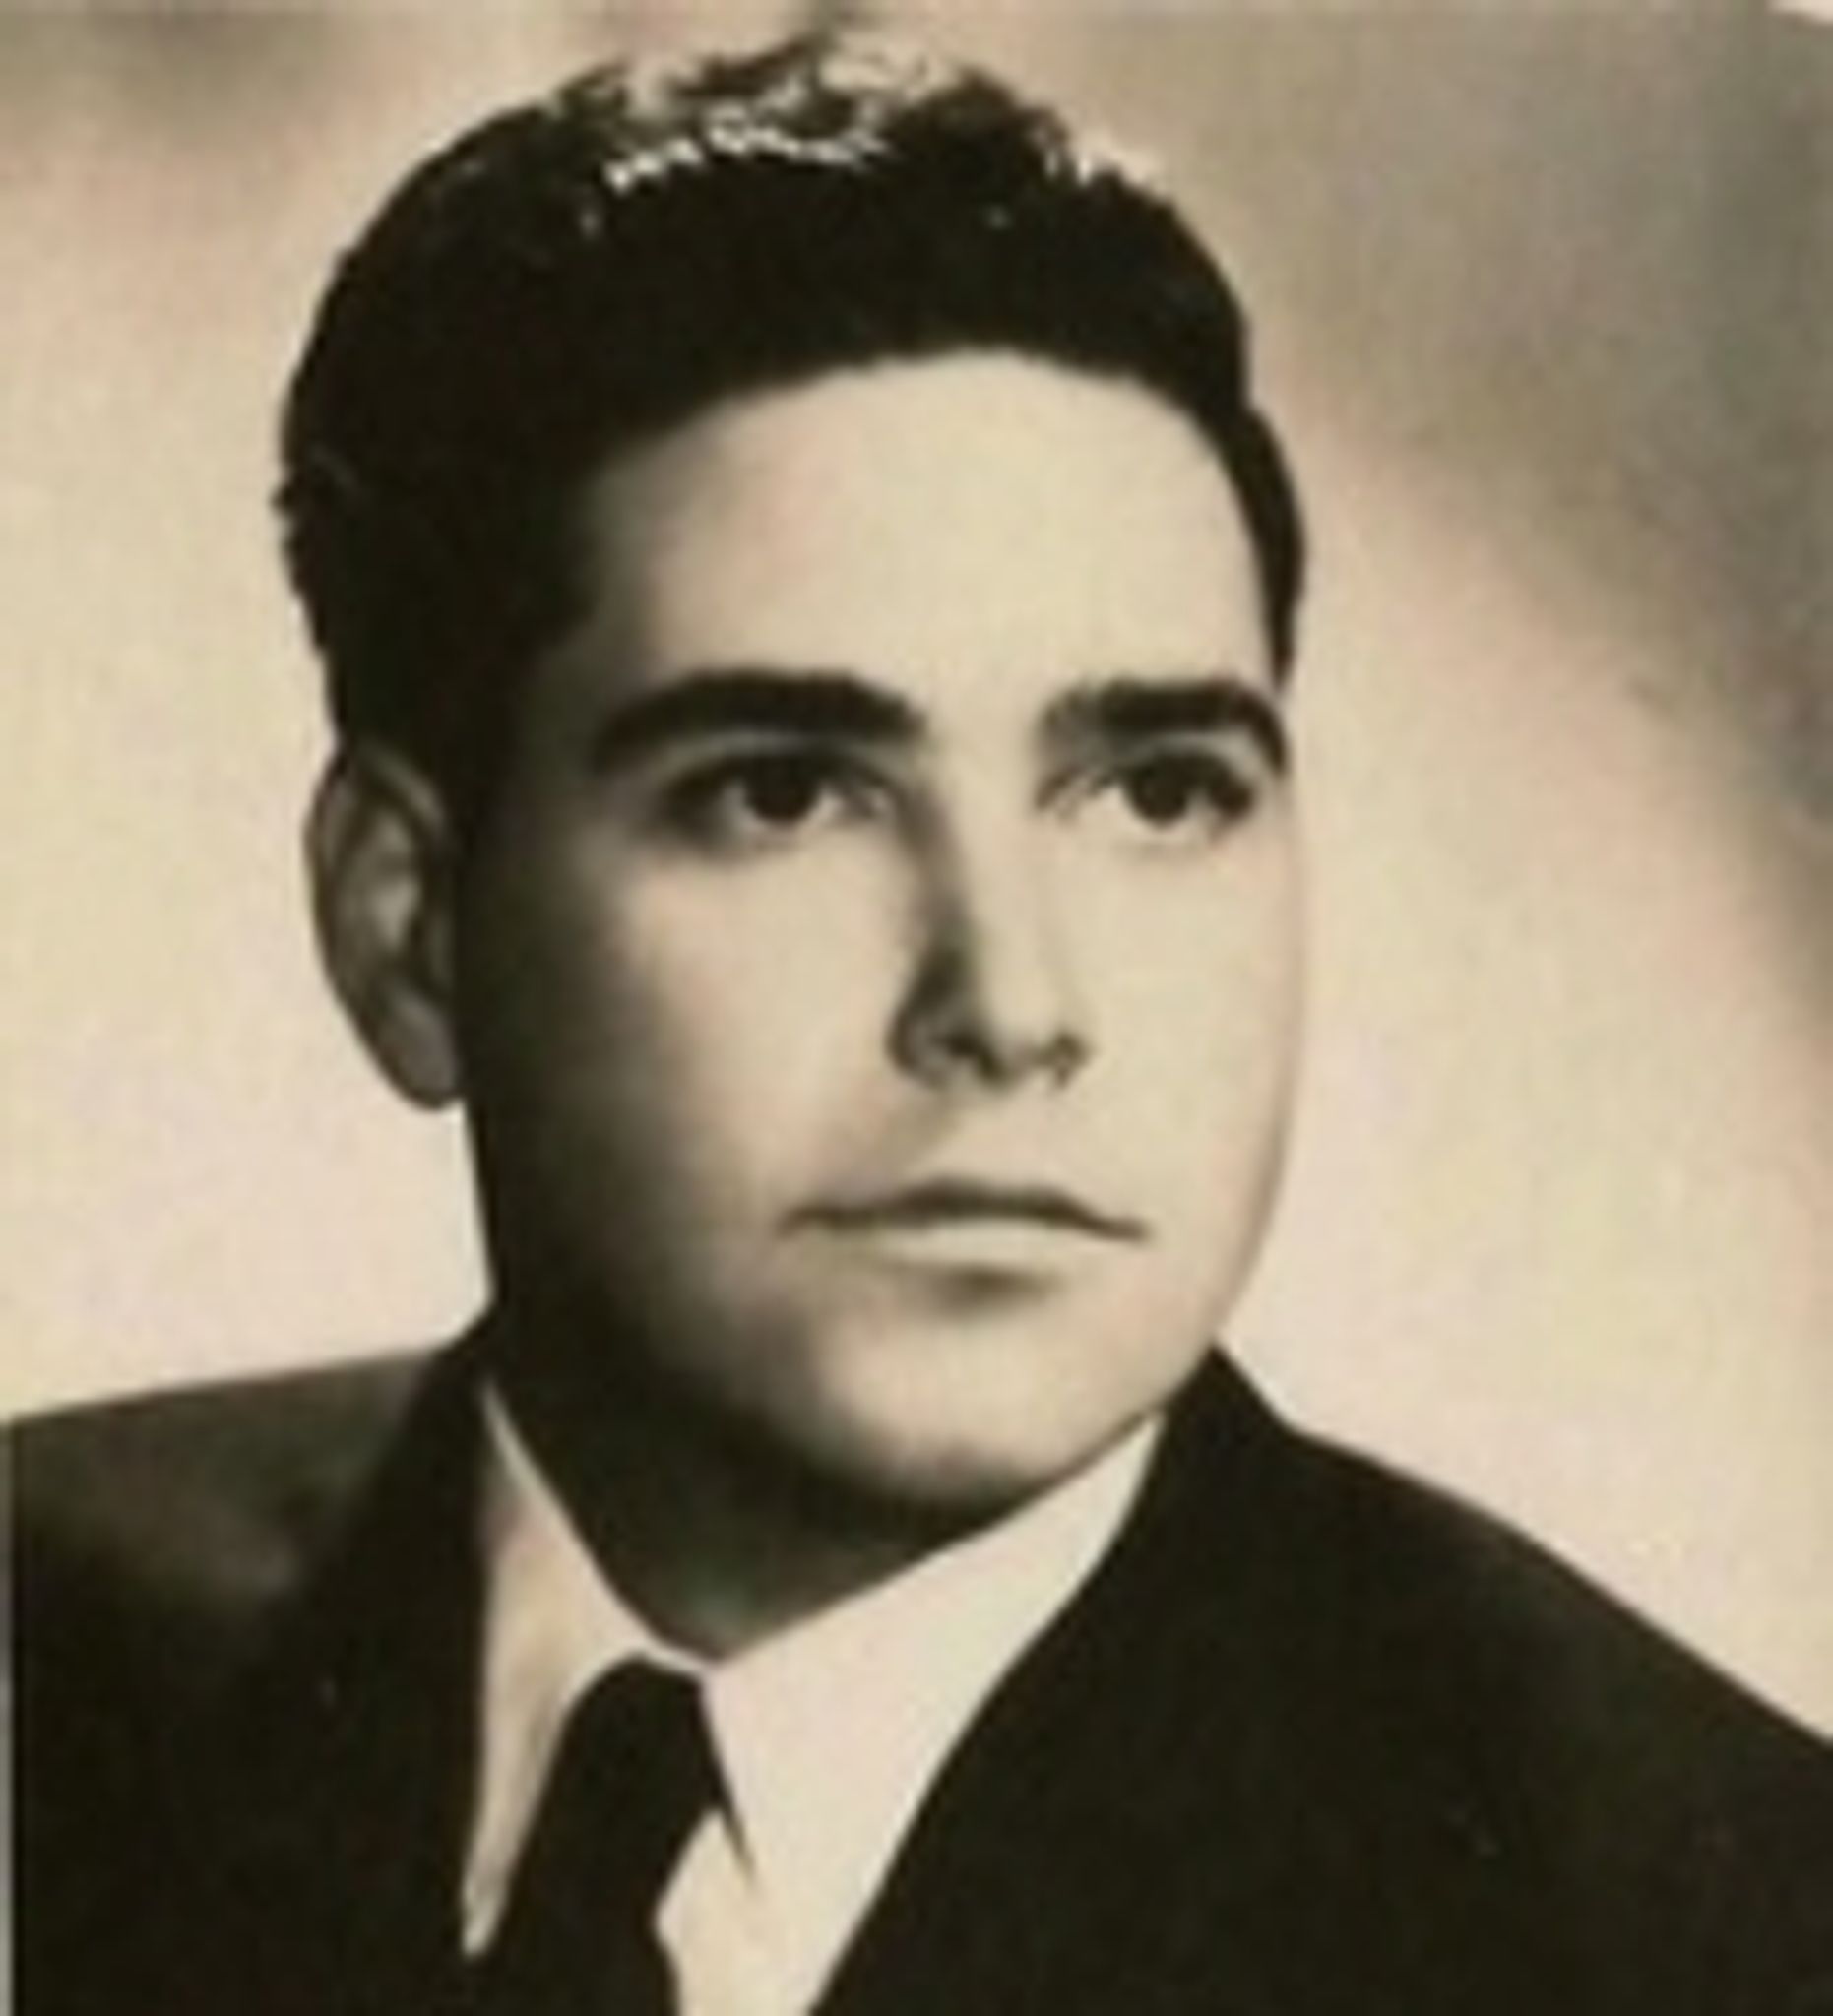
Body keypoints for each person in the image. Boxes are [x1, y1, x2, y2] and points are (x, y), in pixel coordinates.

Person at [14, 32, 1831, 2016]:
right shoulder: (53, 1677)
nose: (1012, 1008)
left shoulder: (1707, 1931)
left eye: (1157, 793)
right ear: (408, 926)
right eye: (786, 791)